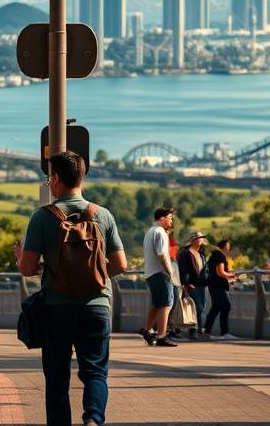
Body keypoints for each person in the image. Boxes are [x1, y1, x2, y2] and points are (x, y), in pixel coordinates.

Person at [18, 151, 128, 426]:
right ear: (82, 177)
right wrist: (96, 277)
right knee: (95, 373)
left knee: (57, 377)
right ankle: (93, 419)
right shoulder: (102, 215)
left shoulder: (42, 217)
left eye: (49, 177)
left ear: (55, 180)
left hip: (57, 307)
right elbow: (121, 264)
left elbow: (28, 269)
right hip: (97, 306)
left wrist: (23, 257)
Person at [140, 206, 178, 347]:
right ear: (161, 219)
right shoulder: (161, 232)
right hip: (160, 272)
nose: (171, 222)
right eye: (169, 218)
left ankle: (146, 330)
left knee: (157, 304)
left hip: (150, 273)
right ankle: (162, 335)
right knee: (166, 304)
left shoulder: (150, 231)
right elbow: (162, 254)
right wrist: (169, 271)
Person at [202, 238, 239, 340]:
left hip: (213, 285)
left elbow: (216, 273)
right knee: (226, 306)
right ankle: (224, 332)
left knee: (216, 308)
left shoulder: (213, 255)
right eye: (227, 248)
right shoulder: (220, 256)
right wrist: (233, 275)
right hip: (219, 287)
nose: (228, 250)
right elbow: (220, 272)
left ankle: (207, 331)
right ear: (223, 247)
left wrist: (229, 279)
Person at [177, 231, 210, 340]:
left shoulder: (201, 254)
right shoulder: (185, 253)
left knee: (202, 307)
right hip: (192, 284)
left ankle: (199, 331)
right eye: (199, 237)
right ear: (193, 240)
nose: (201, 239)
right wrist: (186, 283)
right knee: (197, 307)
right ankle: (193, 331)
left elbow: (204, 270)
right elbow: (183, 269)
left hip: (201, 284)